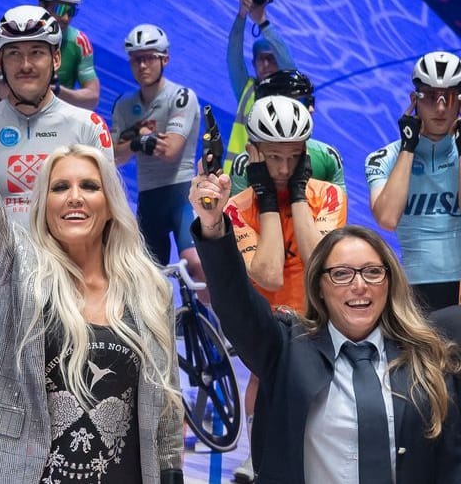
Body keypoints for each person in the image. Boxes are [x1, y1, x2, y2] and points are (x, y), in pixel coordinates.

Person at [0, 63, 182, 481]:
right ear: (43, 206)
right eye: (59, 187)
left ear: (109, 204)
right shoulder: (16, 270)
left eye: (89, 186)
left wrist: (172, 472)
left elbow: (166, 408)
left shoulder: (148, 288)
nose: (74, 198)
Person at [190, 167, 461, 482]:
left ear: (389, 282)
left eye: (372, 272)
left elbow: (450, 462)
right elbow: (237, 305)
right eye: (342, 274)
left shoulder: (425, 356)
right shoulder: (286, 349)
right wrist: (213, 227)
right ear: (319, 286)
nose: (359, 285)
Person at [0, 5, 114, 374]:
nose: (25, 64)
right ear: (0, 63)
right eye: (14, 53)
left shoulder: (88, 126)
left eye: (36, 52)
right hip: (1, 302)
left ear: (56, 58)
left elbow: (110, 225)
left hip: (78, 300)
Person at [224, 94, 347, 482]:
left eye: (293, 157)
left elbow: (319, 262)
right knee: (265, 376)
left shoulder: (328, 195)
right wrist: (265, 201)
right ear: (254, 153)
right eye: (273, 157)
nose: (283, 167)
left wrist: (295, 195)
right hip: (270, 323)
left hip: (318, 315)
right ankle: (255, 452)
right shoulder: (236, 209)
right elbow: (270, 275)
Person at [111, 23, 208, 300]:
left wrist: (135, 139)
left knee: (195, 262)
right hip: (150, 197)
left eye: (149, 58)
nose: (142, 65)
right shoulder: (124, 105)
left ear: (164, 59)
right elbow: (114, 157)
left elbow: (171, 150)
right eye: (136, 59)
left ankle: (220, 328)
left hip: (182, 193)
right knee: (147, 278)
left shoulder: (181, 97)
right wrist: (139, 141)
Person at [366, 51, 461, 312]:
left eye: (449, 98)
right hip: (413, 291)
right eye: (430, 97)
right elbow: (387, 218)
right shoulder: (382, 158)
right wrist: (408, 147)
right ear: (414, 100)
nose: (441, 107)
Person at [229, 69, 346, 196]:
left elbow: (337, 212)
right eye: (303, 102)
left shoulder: (328, 158)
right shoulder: (244, 165)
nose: (311, 109)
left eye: (311, 101)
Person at [224, 0, 296, 175]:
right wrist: (241, 15)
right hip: (236, 180)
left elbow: (289, 65)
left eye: (271, 59)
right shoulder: (246, 89)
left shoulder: (288, 93)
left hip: (271, 182)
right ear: (253, 64)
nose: (265, 64)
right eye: (261, 59)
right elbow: (233, 54)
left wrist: (262, 22)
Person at [37, 0, 100, 110]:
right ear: (42, 6)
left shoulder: (79, 41)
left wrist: (57, 91)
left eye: (71, 11)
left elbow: (92, 98)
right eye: (60, 9)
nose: (66, 18)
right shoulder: (18, 34)